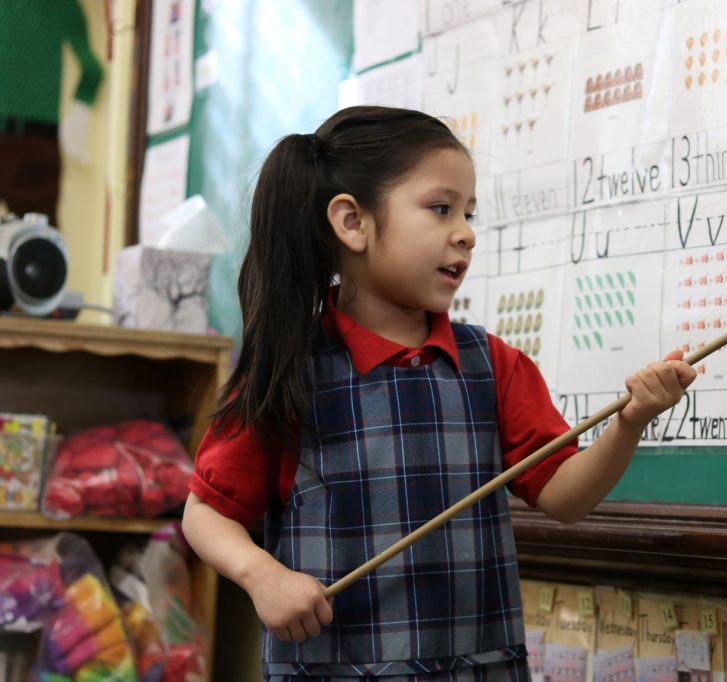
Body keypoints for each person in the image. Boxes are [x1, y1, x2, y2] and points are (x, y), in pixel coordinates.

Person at [181, 105, 696, 681]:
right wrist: (262, 576)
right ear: (353, 223)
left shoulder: (493, 365)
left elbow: (566, 499)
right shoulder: (287, 371)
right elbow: (204, 515)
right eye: (441, 208)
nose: (467, 233)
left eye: (469, 213)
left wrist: (631, 422)